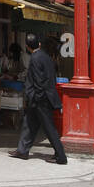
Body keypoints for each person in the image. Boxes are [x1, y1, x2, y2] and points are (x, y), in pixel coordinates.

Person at [10, 33, 68, 164]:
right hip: (43, 97)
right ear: (39, 44)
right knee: (29, 123)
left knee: (49, 127)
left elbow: (38, 81)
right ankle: (22, 150)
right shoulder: (46, 57)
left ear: (27, 47)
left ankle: (61, 156)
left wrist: (36, 98)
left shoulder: (35, 58)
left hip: (40, 99)